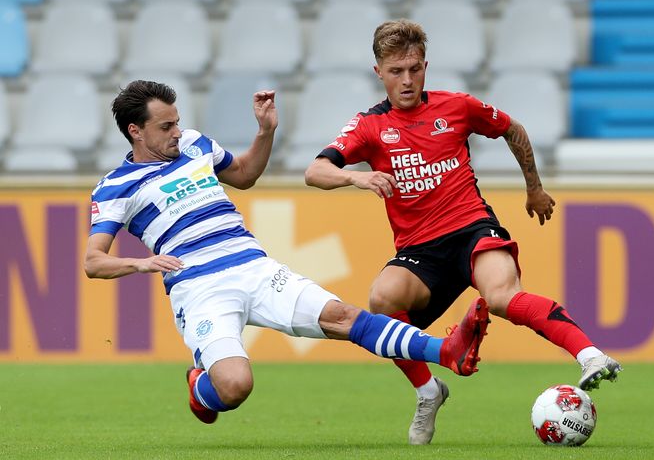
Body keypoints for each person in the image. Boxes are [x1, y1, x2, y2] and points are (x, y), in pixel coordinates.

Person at [84, 80, 487, 427]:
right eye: (166, 126)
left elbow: (244, 175)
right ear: (136, 131)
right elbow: (93, 261)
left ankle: (445, 351)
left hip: (253, 266)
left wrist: (265, 132)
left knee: (342, 317)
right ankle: (199, 386)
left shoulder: (193, 145)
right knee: (235, 386)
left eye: (177, 121)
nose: (177, 131)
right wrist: (142, 263)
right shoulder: (115, 187)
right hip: (199, 286)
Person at [304, 19, 623, 445]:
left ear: (426, 66)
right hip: (421, 253)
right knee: (381, 302)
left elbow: (513, 129)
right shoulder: (368, 127)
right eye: (396, 71)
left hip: (472, 228)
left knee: (503, 297)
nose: (407, 79)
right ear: (378, 72)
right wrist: (356, 179)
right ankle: (428, 390)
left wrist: (535, 188)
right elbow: (315, 171)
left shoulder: (457, 106)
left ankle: (590, 355)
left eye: (415, 68)